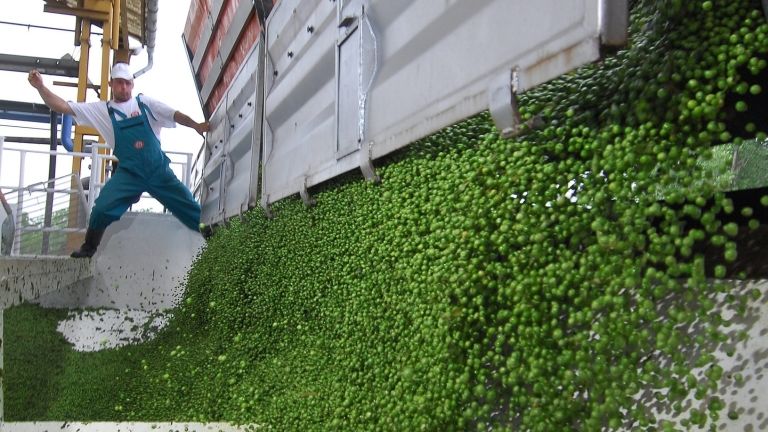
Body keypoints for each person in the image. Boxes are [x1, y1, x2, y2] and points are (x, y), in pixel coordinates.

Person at [28, 63, 210, 258]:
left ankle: (213, 236)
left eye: (127, 83)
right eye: (119, 83)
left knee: (189, 207)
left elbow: (173, 114)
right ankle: (89, 248)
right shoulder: (102, 110)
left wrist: (195, 125)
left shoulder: (144, 103)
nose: (124, 87)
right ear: (111, 84)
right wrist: (40, 87)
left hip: (158, 171)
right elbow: (63, 106)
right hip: (129, 174)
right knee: (101, 209)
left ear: (132, 84)